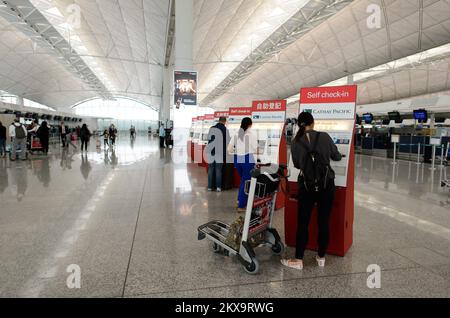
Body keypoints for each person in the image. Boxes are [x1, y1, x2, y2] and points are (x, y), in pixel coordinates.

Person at [281, 112, 343, 270]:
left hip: (307, 186)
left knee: (303, 222)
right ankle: (321, 257)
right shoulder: (324, 136)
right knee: (324, 222)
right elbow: (336, 156)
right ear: (313, 123)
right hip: (326, 185)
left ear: (299, 124)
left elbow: (296, 164)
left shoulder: (295, 142)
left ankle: (298, 259)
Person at [227, 117, 258, 213]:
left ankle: (239, 200)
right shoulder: (252, 134)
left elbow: (229, 149)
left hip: (238, 158)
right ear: (250, 125)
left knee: (243, 181)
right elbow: (256, 149)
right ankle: (241, 206)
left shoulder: (236, 133)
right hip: (247, 159)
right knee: (246, 182)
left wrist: (237, 151)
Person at [207, 117, 230, 192]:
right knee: (218, 170)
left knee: (210, 169)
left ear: (219, 120)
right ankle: (218, 187)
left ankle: (210, 187)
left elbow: (208, 138)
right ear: (225, 121)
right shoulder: (225, 129)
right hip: (220, 152)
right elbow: (228, 141)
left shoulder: (212, 128)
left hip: (211, 151)